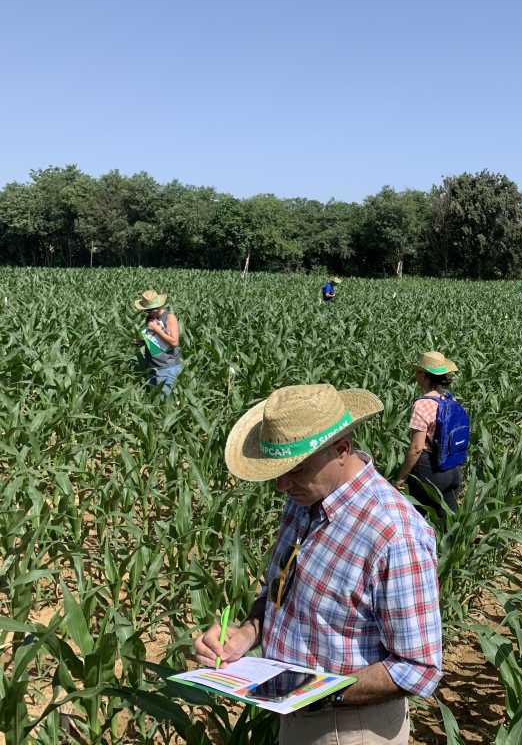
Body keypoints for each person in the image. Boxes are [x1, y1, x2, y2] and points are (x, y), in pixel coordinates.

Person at [193, 384, 442, 745]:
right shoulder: (304, 497)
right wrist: (244, 633)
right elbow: (282, 592)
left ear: (341, 451)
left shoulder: (394, 535)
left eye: (295, 469)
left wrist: (319, 695)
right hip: (296, 712)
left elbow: (418, 669)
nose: (281, 484)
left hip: (349, 727)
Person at [395, 352, 463, 525]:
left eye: (417, 371)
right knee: (447, 525)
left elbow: (416, 447)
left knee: (412, 520)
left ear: (423, 375)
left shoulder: (422, 404)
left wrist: (401, 477)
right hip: (454, 468)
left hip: (430, 469)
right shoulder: (449, 398)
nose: (416, 375)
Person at [133, 290, 181, 395]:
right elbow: (157, 341)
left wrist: (156, 329)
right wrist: (144, 342)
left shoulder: (169, 317)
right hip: (151, 365)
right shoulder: (149, 318)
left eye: (152, 310)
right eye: (147, 311)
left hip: (166, 367)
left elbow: (174, 342)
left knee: (164, 402)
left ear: (159, 306)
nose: (150, 313)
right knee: (154, 399)